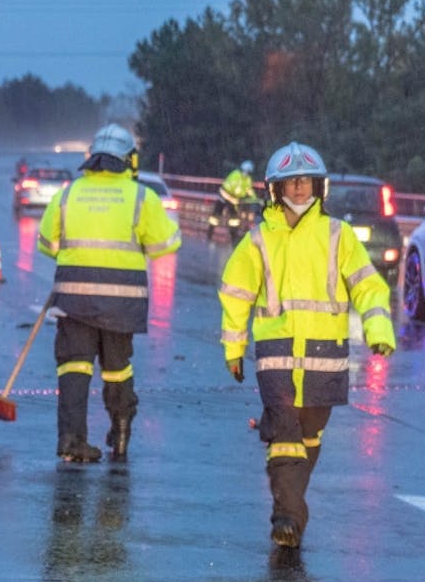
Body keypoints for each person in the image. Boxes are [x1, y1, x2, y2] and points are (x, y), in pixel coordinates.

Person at [217, 141, 395, 549]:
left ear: (319, 186)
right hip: (276, 356)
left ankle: (291, 507)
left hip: (324, 357)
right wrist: (233, 347)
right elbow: (235, 293)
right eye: (291, 182)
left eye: (306, 181)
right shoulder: (259, 239)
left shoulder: (339, 235)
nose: (299, 189)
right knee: (283, 431)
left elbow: (368, 286)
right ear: (275, 189)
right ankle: (287, 517)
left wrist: (378, 330)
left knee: (309, 437)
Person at [37, 123, 181, 463]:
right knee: (117, 368)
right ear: (128, 160)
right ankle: (120, 432)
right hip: (122, 302)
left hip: (74, 299)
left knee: (74, 367)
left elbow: (47, 243)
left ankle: (72, 441)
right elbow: (167, 244)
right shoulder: (141, 197)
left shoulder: (68, 194)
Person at [209, 160, 259, 235]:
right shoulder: (235, 175)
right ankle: (209, 235)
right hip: (223, 198)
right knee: (215, 217)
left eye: (248, 172)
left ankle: (234, 239)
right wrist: (231, 199)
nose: (246, 173)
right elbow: (224, 190)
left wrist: (255, 198)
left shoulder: (248, 179)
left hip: (234, 200)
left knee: (234, 219)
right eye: (246, 171)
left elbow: (249, 189)